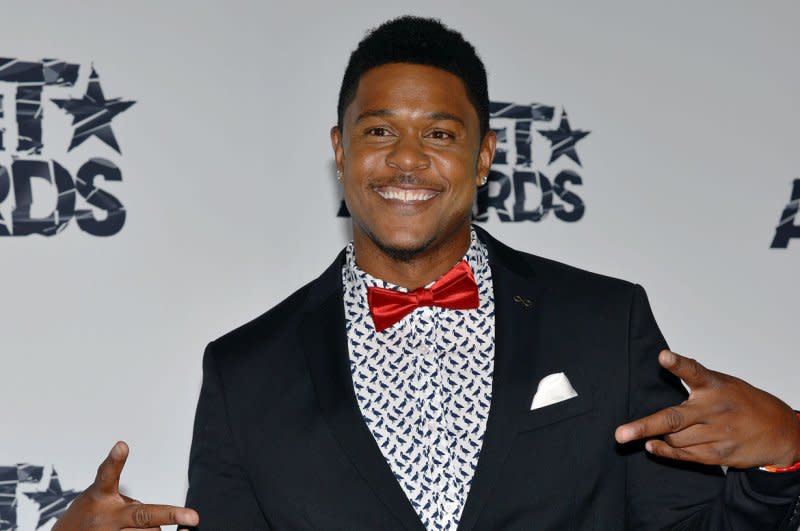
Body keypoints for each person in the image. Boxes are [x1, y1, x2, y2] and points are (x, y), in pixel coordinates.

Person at [54, 16, 800, 531]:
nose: (407, 160)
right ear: (340, 150)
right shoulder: (246, 370)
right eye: (379, 131)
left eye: (439, 134)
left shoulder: (603, 322)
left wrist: (783, 457)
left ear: (483, 156)